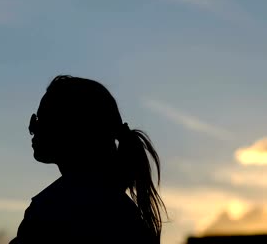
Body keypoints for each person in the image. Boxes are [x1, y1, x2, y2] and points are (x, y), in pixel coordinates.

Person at [9, 75, 167, 244]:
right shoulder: (123, 209)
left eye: (41, 119)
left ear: (71, 128)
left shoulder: (52, 210)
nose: (33, 128)